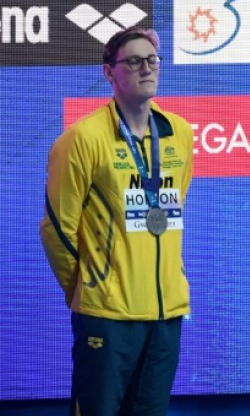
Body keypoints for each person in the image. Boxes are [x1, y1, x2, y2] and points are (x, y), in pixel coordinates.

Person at [40, 26, 194, 416]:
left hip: (165, 315)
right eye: (134, 61)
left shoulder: (180, 135)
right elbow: (57, 229)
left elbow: (171, 212)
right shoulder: (81, 139)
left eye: (153, 60)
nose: (147, 69)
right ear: (109, 72)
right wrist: (87, 288)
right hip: (107, 316)